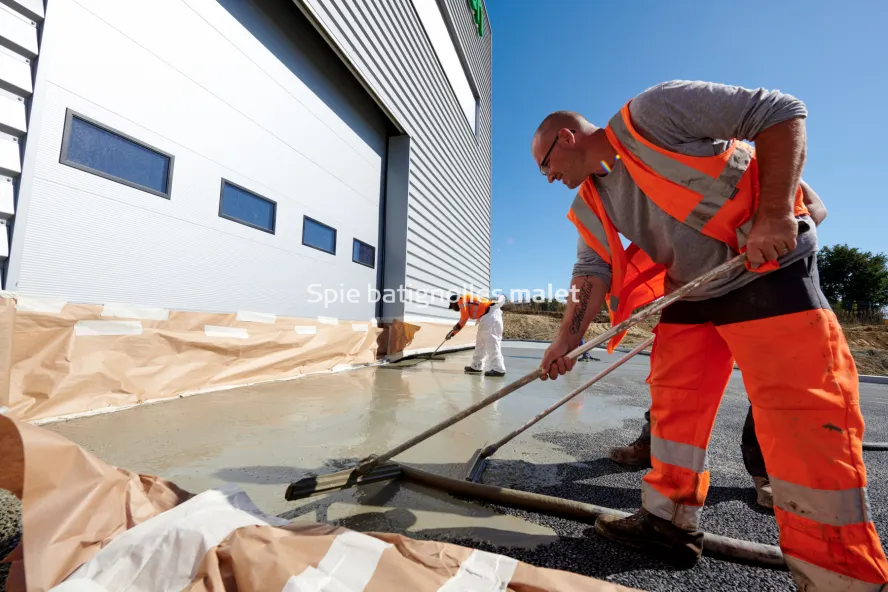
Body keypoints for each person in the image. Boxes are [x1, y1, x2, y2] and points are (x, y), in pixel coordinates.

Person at [531, 80, 888, 589]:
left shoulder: (652, 114)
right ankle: (667, 522)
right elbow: (590, 273)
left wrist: (774, 214)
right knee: (673, 408)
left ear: (566, 138)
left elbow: (781, 112)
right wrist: (566, 339)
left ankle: (841, 575)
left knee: (801, 421)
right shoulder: (591, 200)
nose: (548, 178)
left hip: (762, 270)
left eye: (545, 165)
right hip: (691, 292)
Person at [609, 186, 829, 512]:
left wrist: (778, 229)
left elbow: (815, 208)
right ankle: (654, 442)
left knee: (771, 383)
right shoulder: (681, 176)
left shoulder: (767, 170)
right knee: (675, 376)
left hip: (761, 281)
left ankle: (767, 472)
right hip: (699, 285)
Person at [446, 293, 506, 377]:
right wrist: (452, 333)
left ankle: (498, 369)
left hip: (491, 316)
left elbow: (464, 318)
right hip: (487, 316)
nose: (453, 308)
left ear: (454, 302)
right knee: (480, 343)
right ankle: (476, 366)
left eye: (452, 306)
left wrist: (453, 332)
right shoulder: (465, 300)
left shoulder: (461, 300)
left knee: (491, 342)